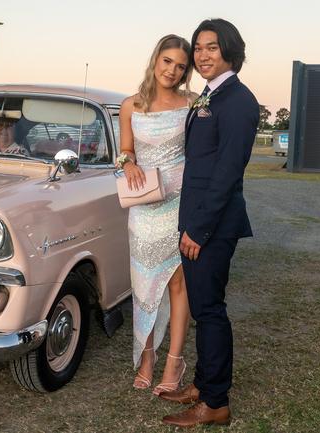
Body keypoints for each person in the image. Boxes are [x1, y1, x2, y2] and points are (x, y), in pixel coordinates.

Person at [159, 19, 259, 428]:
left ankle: (215, 403)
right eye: (198, 48)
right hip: (198, 219)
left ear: (230, 50)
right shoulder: (211, 95)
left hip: (211, 226)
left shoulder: (238, 100)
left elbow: (227, 172)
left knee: (210, 311)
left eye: (211, 48)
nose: (202, 55)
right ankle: (203, 383)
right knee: (203, 307)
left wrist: (198, 231)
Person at [117, 34, 194, 396]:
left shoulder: (193, 104)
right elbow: (125, 151)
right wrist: (128, 163)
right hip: (145, 208)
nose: (173, 71)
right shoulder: (130, 105)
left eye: (181, 66)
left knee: (178, 285)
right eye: (168, 61)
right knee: (144, 285)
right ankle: (145, 357)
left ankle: (173, 363)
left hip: (180, 205)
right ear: (155, 60)